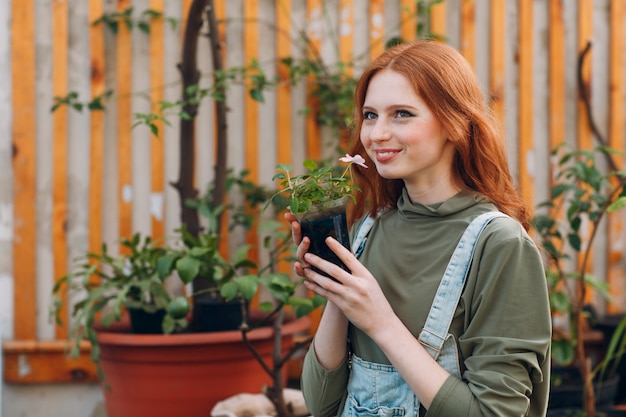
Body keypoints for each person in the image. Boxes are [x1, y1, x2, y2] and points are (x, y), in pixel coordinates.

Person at [285, 40, 551, 417]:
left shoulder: (498, 244)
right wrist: (338, 289)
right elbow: (321, 403)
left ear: (453, 123)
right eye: (371, 115)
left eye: (402, 114)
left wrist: (380, 322)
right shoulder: (368, 229)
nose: (376, 134)